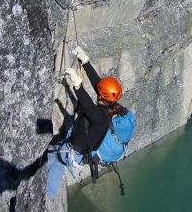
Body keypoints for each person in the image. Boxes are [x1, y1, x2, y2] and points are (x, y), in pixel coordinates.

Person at [46, 46, 134, 198]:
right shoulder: (111, 105)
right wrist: (85, 62)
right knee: (58, 140)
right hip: (79, 140)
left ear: (101, 97)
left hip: (74, 152)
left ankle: (48, 195)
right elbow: (98, 84)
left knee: (54, 159)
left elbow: (87, 105)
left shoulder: (100, 117)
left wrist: (78, 85)